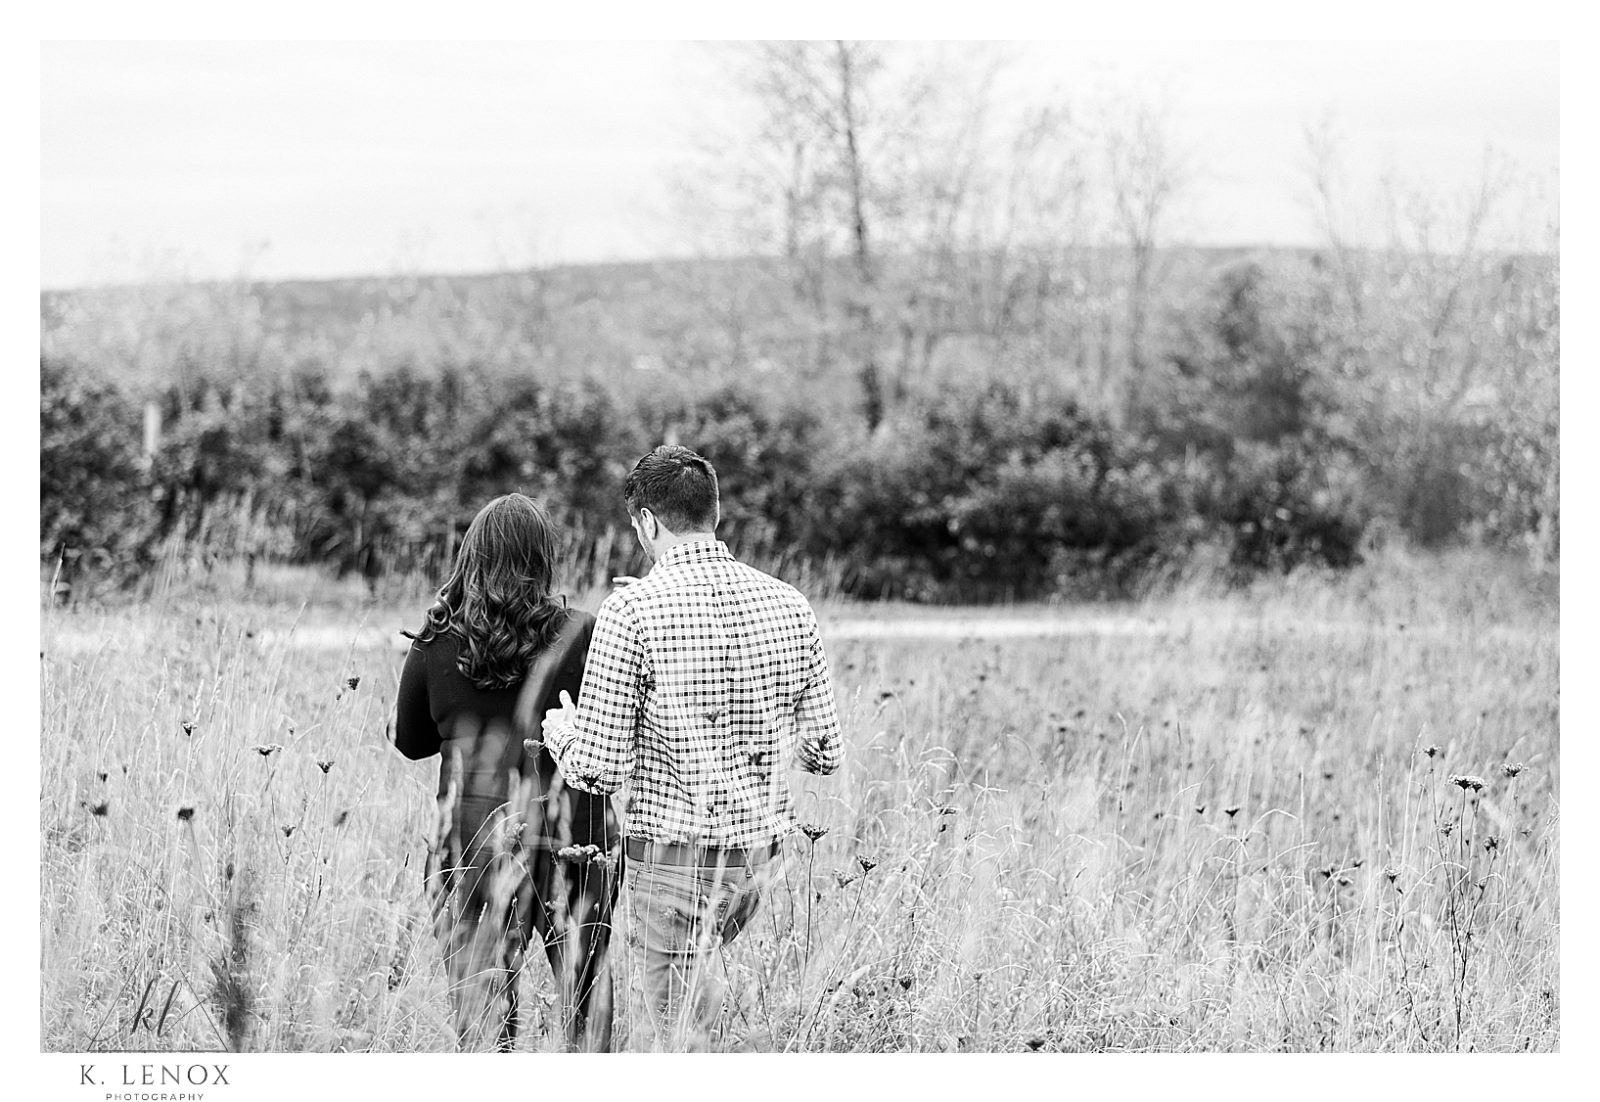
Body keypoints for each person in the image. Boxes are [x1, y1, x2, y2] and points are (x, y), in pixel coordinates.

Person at [541, 444, 842, 1051]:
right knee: (696, 1000)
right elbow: (825, 751)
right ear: (716, 512)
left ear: (647, 521)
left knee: (676, 1037)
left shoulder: (631, 609)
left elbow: (599, 770)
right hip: (757, 860)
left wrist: (562, 731)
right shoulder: (790, 603)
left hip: (673, 860)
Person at [393, 493, 619, 1052]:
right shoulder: (580, 634)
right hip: (575, 834)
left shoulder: (437, 640)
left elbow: (410, 741)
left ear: (471, 557)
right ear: (543, 561)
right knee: (587, 1007)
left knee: (483, 1022)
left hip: (470, 839)